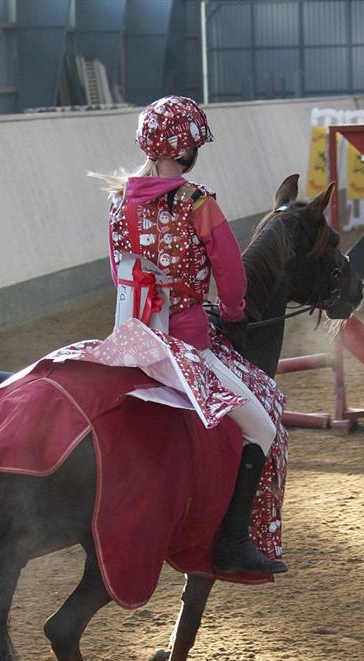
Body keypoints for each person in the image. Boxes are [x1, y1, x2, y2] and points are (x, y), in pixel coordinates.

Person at [91, 96, 286, 576]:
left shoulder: (119, 203)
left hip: (130, 341)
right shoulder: (197, 203)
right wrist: (236, 315)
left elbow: (119, 275)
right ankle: (233, 543)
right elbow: (232, 274)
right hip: (185, 344)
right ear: (188, 151)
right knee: (263, 426)